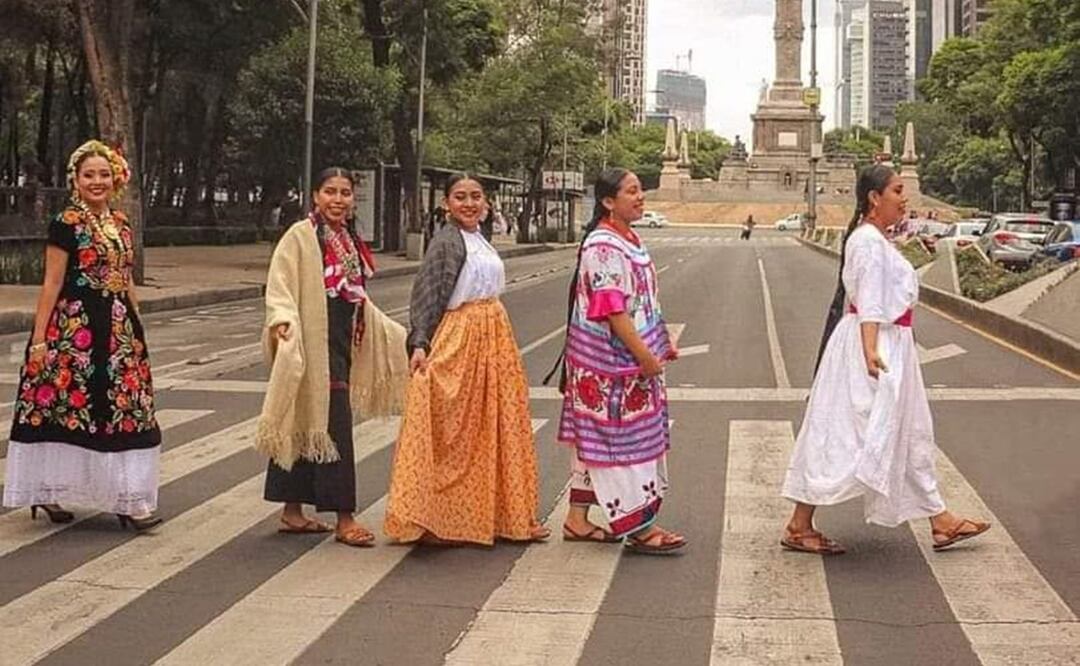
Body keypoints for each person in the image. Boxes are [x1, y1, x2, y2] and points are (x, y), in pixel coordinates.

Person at [781, 165, 991, 555]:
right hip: (876, 347)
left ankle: (940, 519)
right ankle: (799, 523)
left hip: (889, 344)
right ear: (874, 198)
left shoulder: (874, 240)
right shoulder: (868, 242)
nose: (904, 198)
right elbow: (871, 302)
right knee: (850, 434)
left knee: (906, 431)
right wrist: (871, 351)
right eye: (897, 190)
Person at [4, 140, 162, 531]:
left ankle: (128, 497)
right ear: (75, 179)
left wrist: (137, 327)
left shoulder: (121, 224)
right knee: (61, 408)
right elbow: (51, 282)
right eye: (88, 175)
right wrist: (39, 340)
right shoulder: (66, 224)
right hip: (74, 332)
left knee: (127, 407)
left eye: (104, 174)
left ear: (116, 179)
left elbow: (125, 279)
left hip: (118, 330)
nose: (97, 181)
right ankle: (46, 491)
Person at [384, 175, 549, 546]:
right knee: (455, 431)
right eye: (460, 197)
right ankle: (438, 517)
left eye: (476, 197)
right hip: (462, 339)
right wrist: (420, 342)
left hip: (494, 338)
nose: (469, 203)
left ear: (487, 203)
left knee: (497, 426)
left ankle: (505, 514)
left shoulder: (479, 238)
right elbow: (426, 292)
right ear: (446, 204)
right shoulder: (445, 242)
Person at [258, 167, 408, 548]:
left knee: (310, 419)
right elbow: (280, 286)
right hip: (309, 340)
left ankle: (293, 512)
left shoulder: (348, 240)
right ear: (314, 196)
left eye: (344, 193)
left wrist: (399, 338)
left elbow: (356, 296)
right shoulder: (299, 236)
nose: (337, 200)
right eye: (330, 192)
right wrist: (282, 321)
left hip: (340, 341)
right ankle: (345, 518)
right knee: (329, 422)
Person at [554, 168, 686, 554]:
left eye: (640, 190)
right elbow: (612, 310)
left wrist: (660, 343)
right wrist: (645, 356)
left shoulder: (629, 240)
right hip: (610, 365)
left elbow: (643, 303)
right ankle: (640, 527)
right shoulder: (604, 247)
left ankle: (577, 520)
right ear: (609, 201)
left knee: (593, 440)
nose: (641, 196)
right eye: (632, 191)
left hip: (623, 362)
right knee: (622, 445)